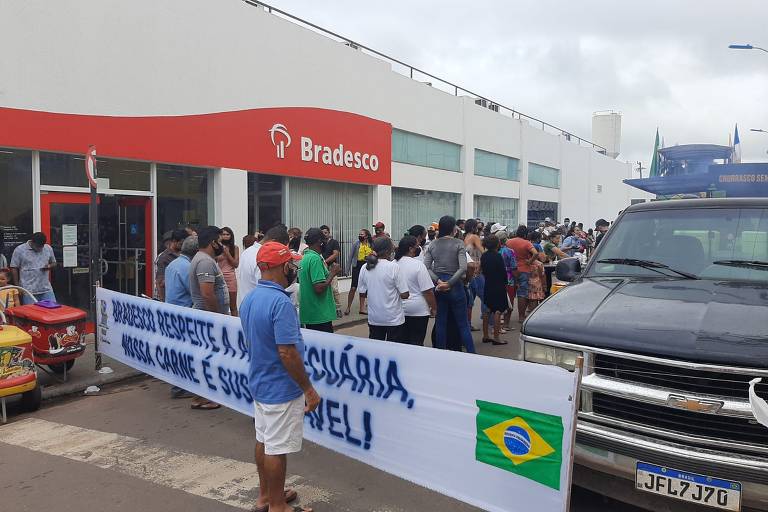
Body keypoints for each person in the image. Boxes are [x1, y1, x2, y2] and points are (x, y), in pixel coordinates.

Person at [240, 241, 317, 512]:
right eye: (290, 263)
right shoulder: (280, 302)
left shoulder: (250, 298)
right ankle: (277, 506)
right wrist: (308, 389)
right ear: (280, 266)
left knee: (264, 440)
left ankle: (267, 496)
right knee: (276, 448)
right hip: (279, 387)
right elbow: (287, 352)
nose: (293, 267)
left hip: (260, 382)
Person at [423, 216, 476, 353]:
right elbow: (464, 267)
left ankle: (441, 354)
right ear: (453, 228)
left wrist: (439, 281)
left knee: (441, 323)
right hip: (456, 285)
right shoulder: (458, 243)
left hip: (439, 286)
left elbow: (427, 267)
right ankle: (472, 354)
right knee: (463, 325)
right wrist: (450, 283)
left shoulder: (432, 244)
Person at [164, 236, 198, 400]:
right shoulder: (187, 267)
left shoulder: (173, 264)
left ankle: (178, 385)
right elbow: (194, 292)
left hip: (172, 312)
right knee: (184, 352)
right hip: (183, 314)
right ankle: (180, 387)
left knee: (177, 351)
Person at [357, 237, 409, 342]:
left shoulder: (365, 267)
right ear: (387, 251)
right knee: (394, 351)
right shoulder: (393, 267)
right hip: (393, 319)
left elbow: (362, 292)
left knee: (376, 351)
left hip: (374, 319)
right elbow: (405, 294)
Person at [394, 236, 436, 345]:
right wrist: (434, 308)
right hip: (418, 311)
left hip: (398, 310)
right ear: (410, 249)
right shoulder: (418, 265)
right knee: (417, 342)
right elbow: (428, 291)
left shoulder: (393, 264)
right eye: (417, 246)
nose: (419, 248)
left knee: (401, 343)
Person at [298, 228, 341, 332]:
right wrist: (333, 273)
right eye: (324, 240)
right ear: (319, 241)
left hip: (310, 314)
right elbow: (318, 288)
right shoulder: (315, 259)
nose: (326, 242)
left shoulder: (305, 257)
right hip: (319, 315)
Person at [238, 226, 290, 308]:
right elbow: (267, 287)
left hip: (245, 305)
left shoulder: (247, 252)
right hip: (260, 307)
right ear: (273, 242)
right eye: (280, 247)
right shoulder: (264, 257)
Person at [189, 225, 230, 315]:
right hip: (208, 318)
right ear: (214, 243)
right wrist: (216, 317)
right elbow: (207, 294)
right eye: (220, 242)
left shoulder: (206, 259)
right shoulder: (205, 262)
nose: (222, 246)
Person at [10, 232, 57, 304]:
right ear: (32, 242)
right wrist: (17, 286)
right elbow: (14, 267)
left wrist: (49, 266)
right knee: (32, 314)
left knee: (53, 311)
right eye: (38, 246)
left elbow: (54, 263)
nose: (40, 249)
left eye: (42, 246)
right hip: (28, 290)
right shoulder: (20, 250)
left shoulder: (48, 248)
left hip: (46, 289)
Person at [506, 225, 538, 323]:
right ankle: (521, 316)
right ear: (525, 234)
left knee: (510, 294)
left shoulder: (509, 241)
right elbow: (535, 253)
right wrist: (530, 261)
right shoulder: (527, 243)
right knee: (522, 294)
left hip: (511, 270)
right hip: (524, 269)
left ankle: (507, 319)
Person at [480, 235, 508, 345]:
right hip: (498, 285)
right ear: (497, 244)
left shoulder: (484, 256)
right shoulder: (498, 256)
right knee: (498, 311)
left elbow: (483, 270)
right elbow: (503, 272)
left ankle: (486, 335)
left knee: (487, 310)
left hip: (488, 283)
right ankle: (497, 337)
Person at [345, 229, 374, 315]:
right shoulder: (356, 243)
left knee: (365, 287)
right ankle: (348, 307)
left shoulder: (371, 244)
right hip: (357, 266)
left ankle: (362, 308)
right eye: (359, 234)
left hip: (367, 266)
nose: (360, 235)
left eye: (362, 234)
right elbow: (350, 257)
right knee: (353, 287)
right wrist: (347, 270)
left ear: (366, 236)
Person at [155, 229, 189, 302]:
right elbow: (159, 282)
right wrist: (163, 301)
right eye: (181, 244)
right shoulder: (164, 257)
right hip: (169, 298)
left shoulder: (185, 253)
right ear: (174, 241)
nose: (183, 246)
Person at [463, 219, 484, 330]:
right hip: (476, 269)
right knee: (485, 296)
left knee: (469, 299)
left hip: (467, 269)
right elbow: (483, 251)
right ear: (473, 227)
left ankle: (468, 323)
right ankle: (489, 323)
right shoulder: (475, 237)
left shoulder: (464, 237)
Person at [165, 236, 198, 308]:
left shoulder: (172, 264)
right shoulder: (188, 267)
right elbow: (196, 294)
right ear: (197, 252)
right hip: (183, 310)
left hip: (170, 308)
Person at [496, 230, 517, 331]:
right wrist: (517, 279)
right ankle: (506, 324)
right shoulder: (510, 251)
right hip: (509, 278)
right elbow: (514, 267)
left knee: (497, 302)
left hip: (496, 278)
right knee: (510, 302)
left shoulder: (494, 251)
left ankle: (496, 324)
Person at [217, 227, 240, 316]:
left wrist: (227, 253)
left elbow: (236, 264)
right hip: (219, 277)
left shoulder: (235, 248)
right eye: (223, 234)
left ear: (231, 236)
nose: (225, 236)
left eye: (228, 234)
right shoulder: (216, 247)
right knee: (220, 305)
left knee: (233, 306)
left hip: (230, 278)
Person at [320, 225, 342, 318]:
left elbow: (336, 254)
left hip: (331, 268)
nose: (324, 235)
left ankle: (338, 309)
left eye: (325, 233)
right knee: (323, 289)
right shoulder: (320, 243)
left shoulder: (334, 242)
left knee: (334, 289)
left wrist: (325, 261)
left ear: (329, 233)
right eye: (322, 233)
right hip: (321, 268)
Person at [527, 232, 547, 310]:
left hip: (528, 283)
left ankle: (530, 309)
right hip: (537, 284)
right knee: (537, 298)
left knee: (530, 298)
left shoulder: (526, 263)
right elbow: (542, 275)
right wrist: (544, 286)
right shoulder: (539, 264)